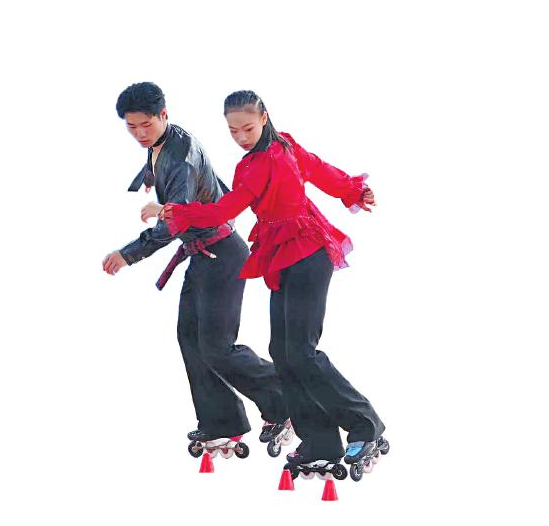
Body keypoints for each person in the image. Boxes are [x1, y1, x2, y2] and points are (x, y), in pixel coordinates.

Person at [161, 90, 387, 470]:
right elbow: (230, 206)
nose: (241, 137)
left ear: (264, 117)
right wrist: (181, 213)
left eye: (247, 128)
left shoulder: (280, 150)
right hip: (280, 257)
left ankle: (365, 426)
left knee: (301, 351)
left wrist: (352, 189)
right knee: (282, 353)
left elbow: (315, 171)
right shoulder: (255, 162)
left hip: (309, 253)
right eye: (233, 131)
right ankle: (319, 442)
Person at [102, 83, 290, 450]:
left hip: (222, 253)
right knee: (190, 338)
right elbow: (167, 170)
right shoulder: (164, 143)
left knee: (218, 347)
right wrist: (146, 179)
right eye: (131, 127)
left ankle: (286, 402)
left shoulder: (181, 157)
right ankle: (222, 421)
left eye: (146, 125)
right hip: (202, 254)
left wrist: (128, 254)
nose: (139, 134)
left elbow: (173, 221)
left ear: (163, 115)